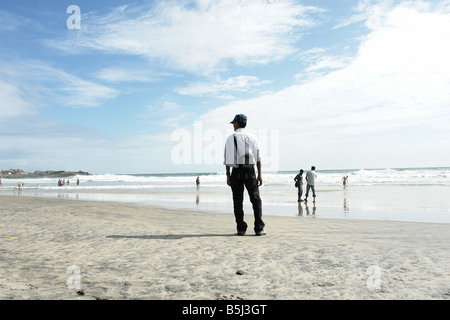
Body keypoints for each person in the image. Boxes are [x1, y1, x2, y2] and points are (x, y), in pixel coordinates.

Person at [224, 114, 265, 236]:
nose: (233, 126)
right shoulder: (252, 137)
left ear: (236, 123)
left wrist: (228, 175)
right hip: (250, 170)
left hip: (236, 171)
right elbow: (258, 157)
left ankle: (241, 228)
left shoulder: (230, 138)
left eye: (233, 123)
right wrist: (259, 174)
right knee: (256, 200)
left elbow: (227, 159)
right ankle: (259, 228)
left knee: (237, 201)